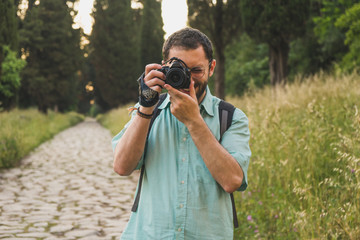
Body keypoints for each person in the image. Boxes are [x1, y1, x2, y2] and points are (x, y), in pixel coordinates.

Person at [112, 27, 251, 240]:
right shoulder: (150, 110)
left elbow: (232, 180)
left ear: (211, 67)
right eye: (180, 69)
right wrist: (146, 107)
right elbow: (122, 166)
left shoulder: (230, 117)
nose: (188, 79)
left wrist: (194, 121)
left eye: (196, 70)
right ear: (164, 67)